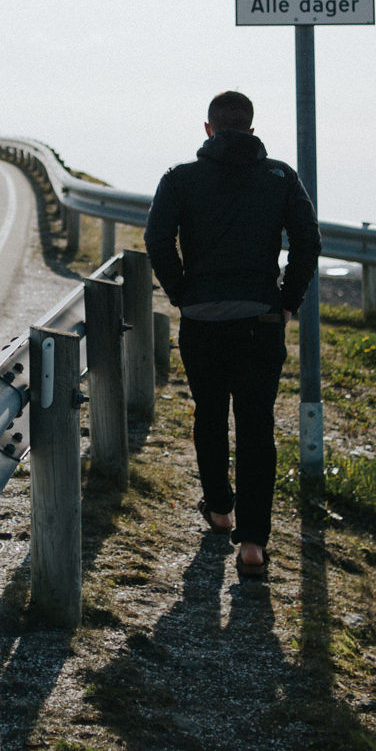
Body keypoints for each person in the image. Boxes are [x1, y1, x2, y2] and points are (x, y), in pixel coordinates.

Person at [144, 89, 319, 579]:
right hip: (260, 321)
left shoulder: (180, 178)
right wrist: (287, 301)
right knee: (257, 426)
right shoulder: (280, 176)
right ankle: (254, 545)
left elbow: (157, 239)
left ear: (208, 130)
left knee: (210, 412)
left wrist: (181, 292)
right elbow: (309, 242)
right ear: (252, 127)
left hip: (202, 320)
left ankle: (220, 509)